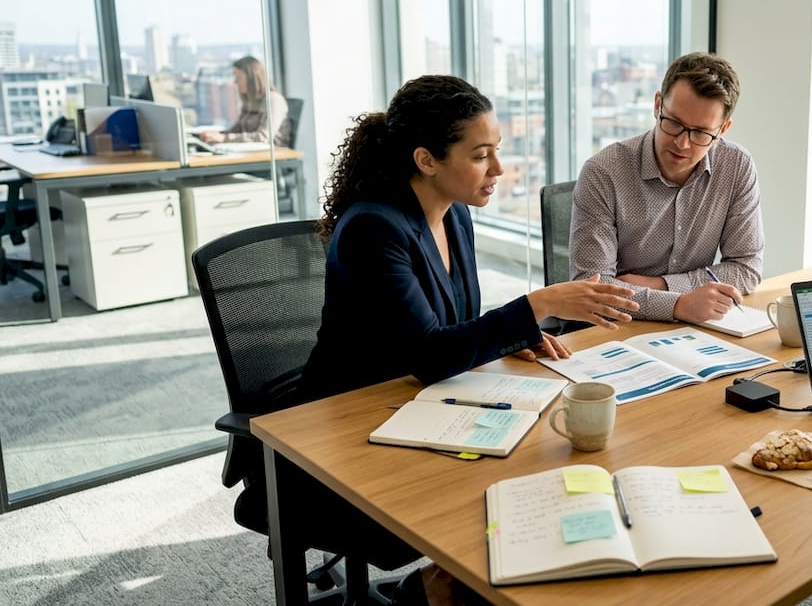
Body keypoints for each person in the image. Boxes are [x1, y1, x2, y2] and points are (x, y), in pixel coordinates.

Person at [296, 74, 639, 603]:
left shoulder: (454, 214)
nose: (499, 170)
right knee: (504, 491)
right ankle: (437, 589)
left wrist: (509, 339)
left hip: (420, 401)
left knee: (543, 467)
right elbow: (430, 354)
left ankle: (442, 584)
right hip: (350, 420)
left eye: (497, 151)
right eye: (481, 155)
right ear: (427, 160)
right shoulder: (373, 229)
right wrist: (538, 306)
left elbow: (452, 327)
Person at [570, 51, 764, 323]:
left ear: (723, 129)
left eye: (700, 133)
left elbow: (746, 269)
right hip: (615, 330)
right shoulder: (604, 173)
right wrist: (680, 305)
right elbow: (595, 290)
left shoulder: (736, 167)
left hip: (696, 331)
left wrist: (662, 286)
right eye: (673, 123)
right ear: (657, 104)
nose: (682, 144)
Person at [199, 55, 292, 147]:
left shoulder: (274, 100)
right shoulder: (249, 100)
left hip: (274, 155)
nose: (235, 82)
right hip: (251, 151)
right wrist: (216, 135)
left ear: (252, 78)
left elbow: (263, 137)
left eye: (238, 77)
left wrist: (224, 138)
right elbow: (238, 129)